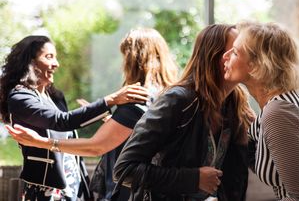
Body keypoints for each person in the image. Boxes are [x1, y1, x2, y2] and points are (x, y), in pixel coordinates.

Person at [5, 28, 179, 200]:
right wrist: (111, 101)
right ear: (30, 62)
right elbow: (62, 121)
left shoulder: (55, 96)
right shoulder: (21, 96)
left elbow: (93, 143)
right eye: (49, 56)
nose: (57, 63)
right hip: (48, 190)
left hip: (76, 186)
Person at [112, 24, 255, 201]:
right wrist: (193, 179)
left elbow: (254, 168)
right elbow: (124, 170)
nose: (247, 55)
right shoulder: (178, 100)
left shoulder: (237, 105)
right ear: (217, 56)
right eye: (235, 50)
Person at [223, 21, 299, 201]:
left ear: (257, 65)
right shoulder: (288, 102)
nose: (225, 56)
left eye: (234, 52)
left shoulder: (278, 112)